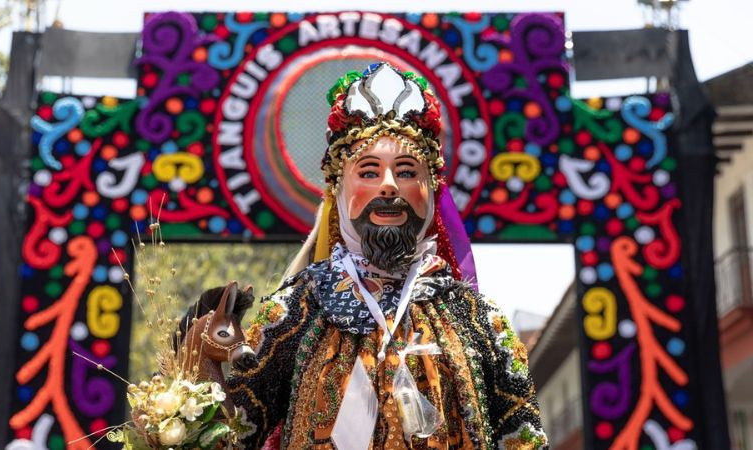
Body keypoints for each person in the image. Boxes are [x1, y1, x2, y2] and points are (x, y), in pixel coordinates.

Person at [182, 63, 548, 449]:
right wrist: (183, 404)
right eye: (369, 172)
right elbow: (233, 434)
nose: (388, 186)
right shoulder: (296, 310)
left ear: (432, 189)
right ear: (338, 191)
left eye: (406, 172)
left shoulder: (477, 319)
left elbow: (524, 439)